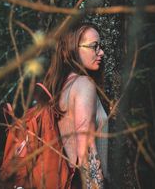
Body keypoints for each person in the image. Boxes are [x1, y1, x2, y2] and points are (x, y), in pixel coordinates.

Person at [42, 22, 110, 188]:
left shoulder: (61, 88)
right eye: (94, 46)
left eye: (100, 46)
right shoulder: (84, 85)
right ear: (73, 49)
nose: (101, 52)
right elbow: (86, 153)